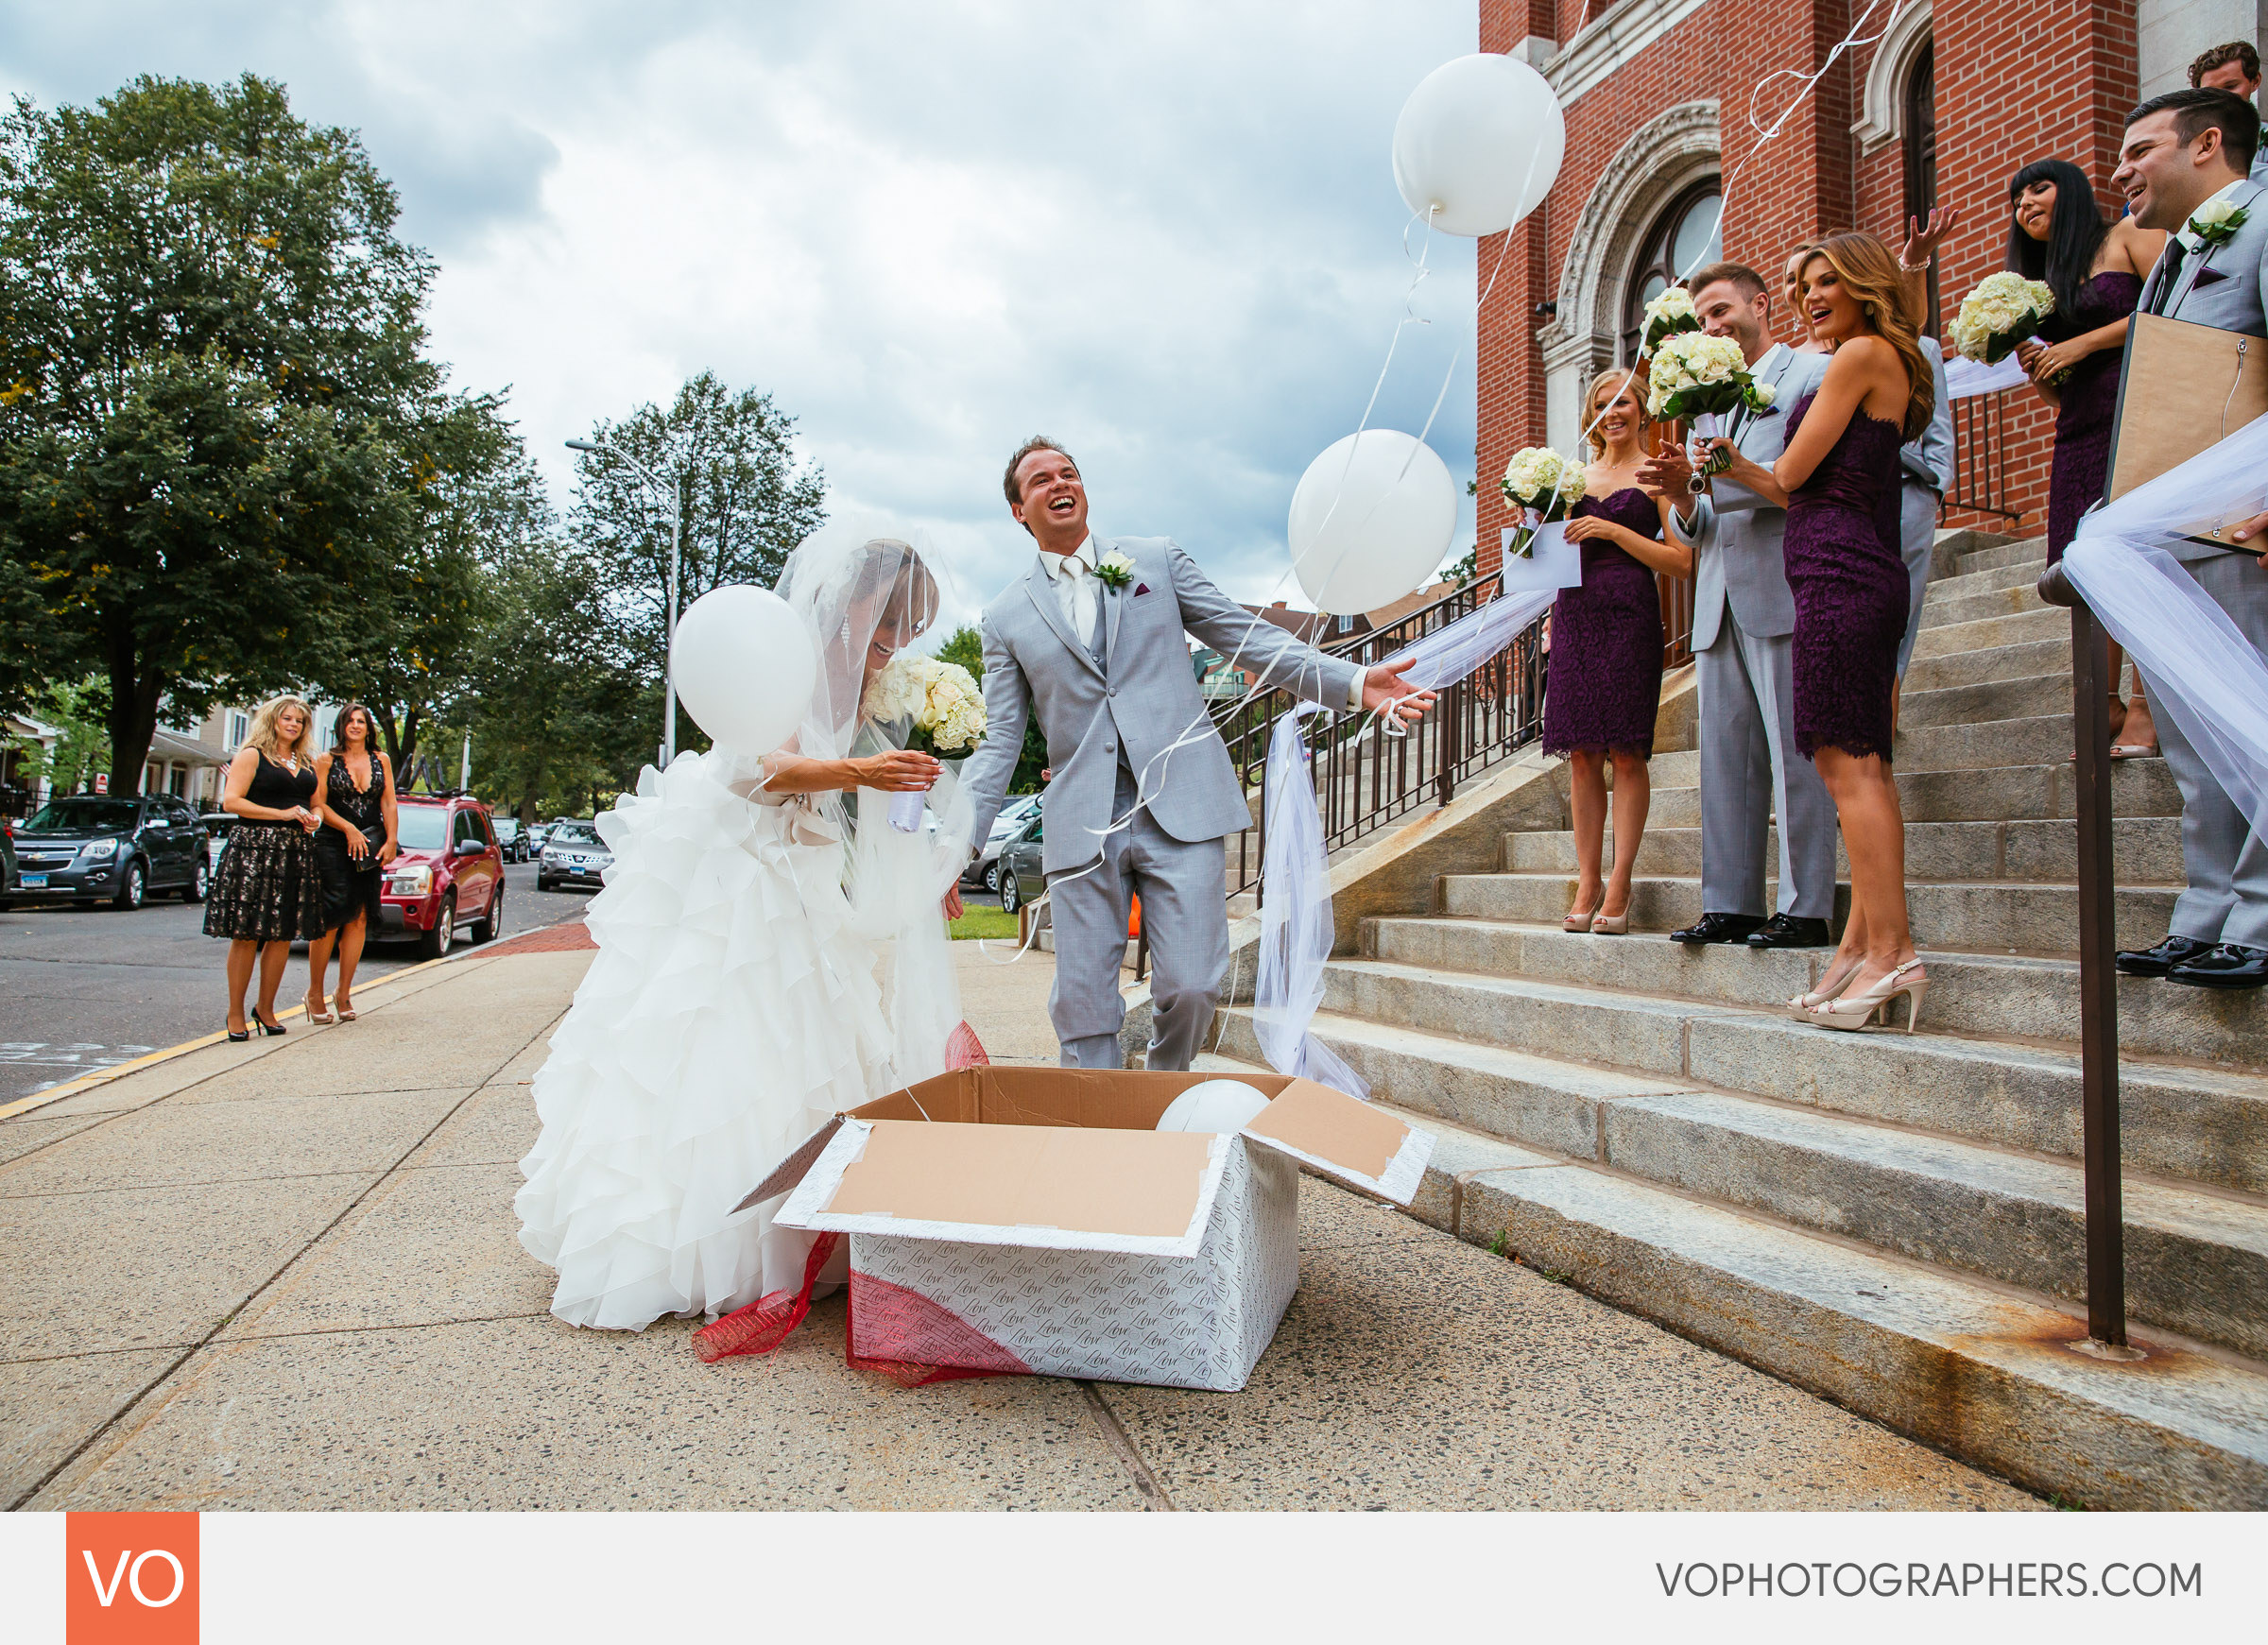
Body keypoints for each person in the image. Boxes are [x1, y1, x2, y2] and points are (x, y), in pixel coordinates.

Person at [516, 530, 971, 1330]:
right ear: (853, 601)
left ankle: (800, 1227)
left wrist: (924, 865)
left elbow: (864, 794)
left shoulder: (876, 685)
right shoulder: (784, 655)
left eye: (910, 623)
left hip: (807, 864)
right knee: (724, 1032)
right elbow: (757, 768)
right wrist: (862, 771)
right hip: (742, 866)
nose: (897, 639)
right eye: (890, 617)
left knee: (808, 1035)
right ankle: (689, 1243)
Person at [957, 438, 1433, 1071]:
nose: (1058, 483)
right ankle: (1097, 1128)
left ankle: (1162, 1086)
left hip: (1181, 802)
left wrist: (1348, 682)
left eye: (1068, 472)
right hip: (1082, 818)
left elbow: (1247, 637)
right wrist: (959, 843)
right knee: (1081, 1004)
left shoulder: (1153, 559)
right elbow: (1001, 739)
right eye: (1040, 480)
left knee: (1191, 985)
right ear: (1020, 510)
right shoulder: (1004, 616)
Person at [2105, 88, 2268, 988]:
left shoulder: (2262, 221)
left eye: (2140, 149)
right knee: (2194, 737)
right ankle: (2207, 910)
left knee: (2250, 721)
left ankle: (2262, 914)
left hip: (2240, 518)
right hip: (2170, 527)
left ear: (2209, 144)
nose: (2122, 168)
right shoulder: (2173, 256)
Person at [1758, 232, 1933, 1031]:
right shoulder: (1876, 355)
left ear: (1865, 284)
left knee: (1848, 767)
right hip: (1845, 570)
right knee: (1862, 767)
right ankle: (1859, 950)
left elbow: (1791, 476)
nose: (1809, 294)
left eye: (1827, 279)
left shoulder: (1859, 354)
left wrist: (1729, 459)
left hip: (1842, 574)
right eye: (1801, 285)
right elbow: (1795, 482)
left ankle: (1893, 954)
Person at [1642, 265, 1837, 950]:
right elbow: (1699, 530)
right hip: (1717, 599)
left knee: (1795, 754)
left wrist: (1724, 477)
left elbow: (1804, 487)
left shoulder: (1807, 379)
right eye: (1703, 319)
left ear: (1760, 305)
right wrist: (1677, 491)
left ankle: (1807, 905)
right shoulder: (1704, 407)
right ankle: (1730, 901)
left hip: (1781, 586)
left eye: (1722, 311)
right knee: (1724, 761)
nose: (1713, 326)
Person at [2005, 156, 2169, 754]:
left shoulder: (2126, 234)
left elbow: (2168, 310)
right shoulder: (2045, 285)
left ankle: (2149, 711)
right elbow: (2059, 390)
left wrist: (2078, 343)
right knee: (2094, 573)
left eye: (2038, 188)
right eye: (2017, 199)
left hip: (2139, 412)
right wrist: (2040, 367)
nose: (2026, 204)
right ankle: (2104, 704)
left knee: (2142, 559)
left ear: (2070, 191)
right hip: (2079, 428)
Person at [1543, 369, 1691, 934]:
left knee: (1626, 752)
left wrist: (1612, 533)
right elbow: (1548, 558)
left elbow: (1681, 561)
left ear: (1642, 408)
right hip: (1576, 617)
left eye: (1623, 401)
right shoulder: (1570, 477)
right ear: (1591, 415)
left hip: (1630, 617)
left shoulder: (1656, 476)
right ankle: (1587, 878)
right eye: (1602, 404)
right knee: (1582, 753)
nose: (1613, 412)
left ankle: (1621, 879)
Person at [204, 695, 324, 1039]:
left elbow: (316, 804)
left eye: (299, 721)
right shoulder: (252, 754)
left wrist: (314, 819)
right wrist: (283, 814)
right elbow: (232, 801)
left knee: (283, 932)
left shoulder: (306, 761)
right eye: (287, 718)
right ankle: (235, 1013)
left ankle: (266, 1008)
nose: (293, 724)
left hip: (295, 851)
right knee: (246, 933)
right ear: (272, 720)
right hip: (253, 850)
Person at [306, 703, 398, 1023]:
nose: (356, 726)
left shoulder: (381, 759)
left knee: (359, 917)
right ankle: (314, 993)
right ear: (341, 726)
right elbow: (317, 803)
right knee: (331, 917)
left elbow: (388, 800)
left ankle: (343, 992)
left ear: (368, 728)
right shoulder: (325, 761)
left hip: (371, 843)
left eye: (361, 721)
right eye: (350, 721)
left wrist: (390, 840)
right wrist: (348, 829)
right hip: (333, 843)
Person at [2190, 41, 2268, 183]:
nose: (2221, 98)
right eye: (2211, 92)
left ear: (2255, 81)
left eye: (2231, 86)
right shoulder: (2188, 146)